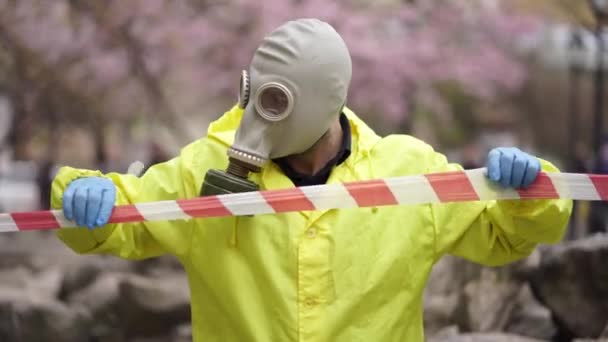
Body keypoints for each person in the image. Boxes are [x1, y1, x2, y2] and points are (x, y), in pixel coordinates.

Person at [51, 19, 572, 342]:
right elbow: (126, 220)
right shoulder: (204, 170)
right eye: (257, 96)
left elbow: (503, 236)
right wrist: (84, 195)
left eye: (277, 103)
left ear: (328, 101)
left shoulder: (408, 173)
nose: (260, 117)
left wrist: (528, 193)